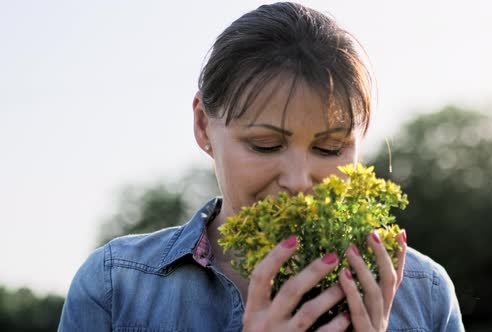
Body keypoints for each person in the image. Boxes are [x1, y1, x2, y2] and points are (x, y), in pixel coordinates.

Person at [59, 2, 464, 331]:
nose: (299, 181)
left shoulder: (424, 294)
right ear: (203, 126)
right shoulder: (116, 286)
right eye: (265, 144)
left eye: (329, 148)